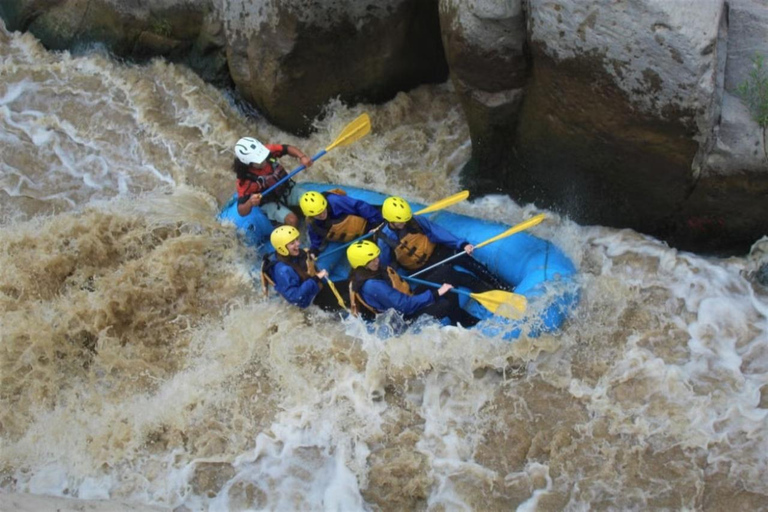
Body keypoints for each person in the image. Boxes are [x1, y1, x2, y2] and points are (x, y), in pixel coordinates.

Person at [375, 196, 507, 292]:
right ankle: (485, 291)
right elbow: (388, 265)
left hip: (437, 252)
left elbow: (437, 232)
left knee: (465, 258)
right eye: (400, 222)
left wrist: (461, 244)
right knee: (456, 276)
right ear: (389, 220)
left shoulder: (415, 220)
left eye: (405, 219)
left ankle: (499, 285)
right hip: (421, 269)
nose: (404, 223)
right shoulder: (384, 239)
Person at [346, 240, 478, 327]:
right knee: (444, 304)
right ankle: (458, 320)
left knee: (445, 271)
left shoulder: (370, 270)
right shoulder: (372, 285)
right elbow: (405, 306)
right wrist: (436, 293)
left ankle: (458, 317)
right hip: (405, 319)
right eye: (371, 260)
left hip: (407, 299)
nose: (377, 261)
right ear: (361, 264)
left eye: (376, 257)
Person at [261, 225, 348, 312]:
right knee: (346, 295)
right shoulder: (283, 270)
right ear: (282, 248)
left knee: (347, 284)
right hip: (311, 300)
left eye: (297, 240)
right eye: (292, 243)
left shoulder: (289, 254)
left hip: (314, 287)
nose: (298, 244)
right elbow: (296, 298)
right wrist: (316, 278)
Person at [233, 137, 313, 227]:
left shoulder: (266, 151)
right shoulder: (245, 180)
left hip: (286, 188)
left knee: (313, 202)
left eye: (263, 158)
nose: (263, 161)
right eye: (258, 161)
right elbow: (241, 211)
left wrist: (302, 156)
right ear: (248, 163)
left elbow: (287, 148)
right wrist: (250, 202)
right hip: (269, 202)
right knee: (292, 220)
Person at [299, 190, 384, 255]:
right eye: (317, 214)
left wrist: (376, 222)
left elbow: (359, 206)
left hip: (366, 225)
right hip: (348, 236)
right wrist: (314, 250)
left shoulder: (335, 201)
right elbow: (315, 239)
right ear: (310, 215)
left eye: (322, 211)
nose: (321, 215)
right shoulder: (311, 222)